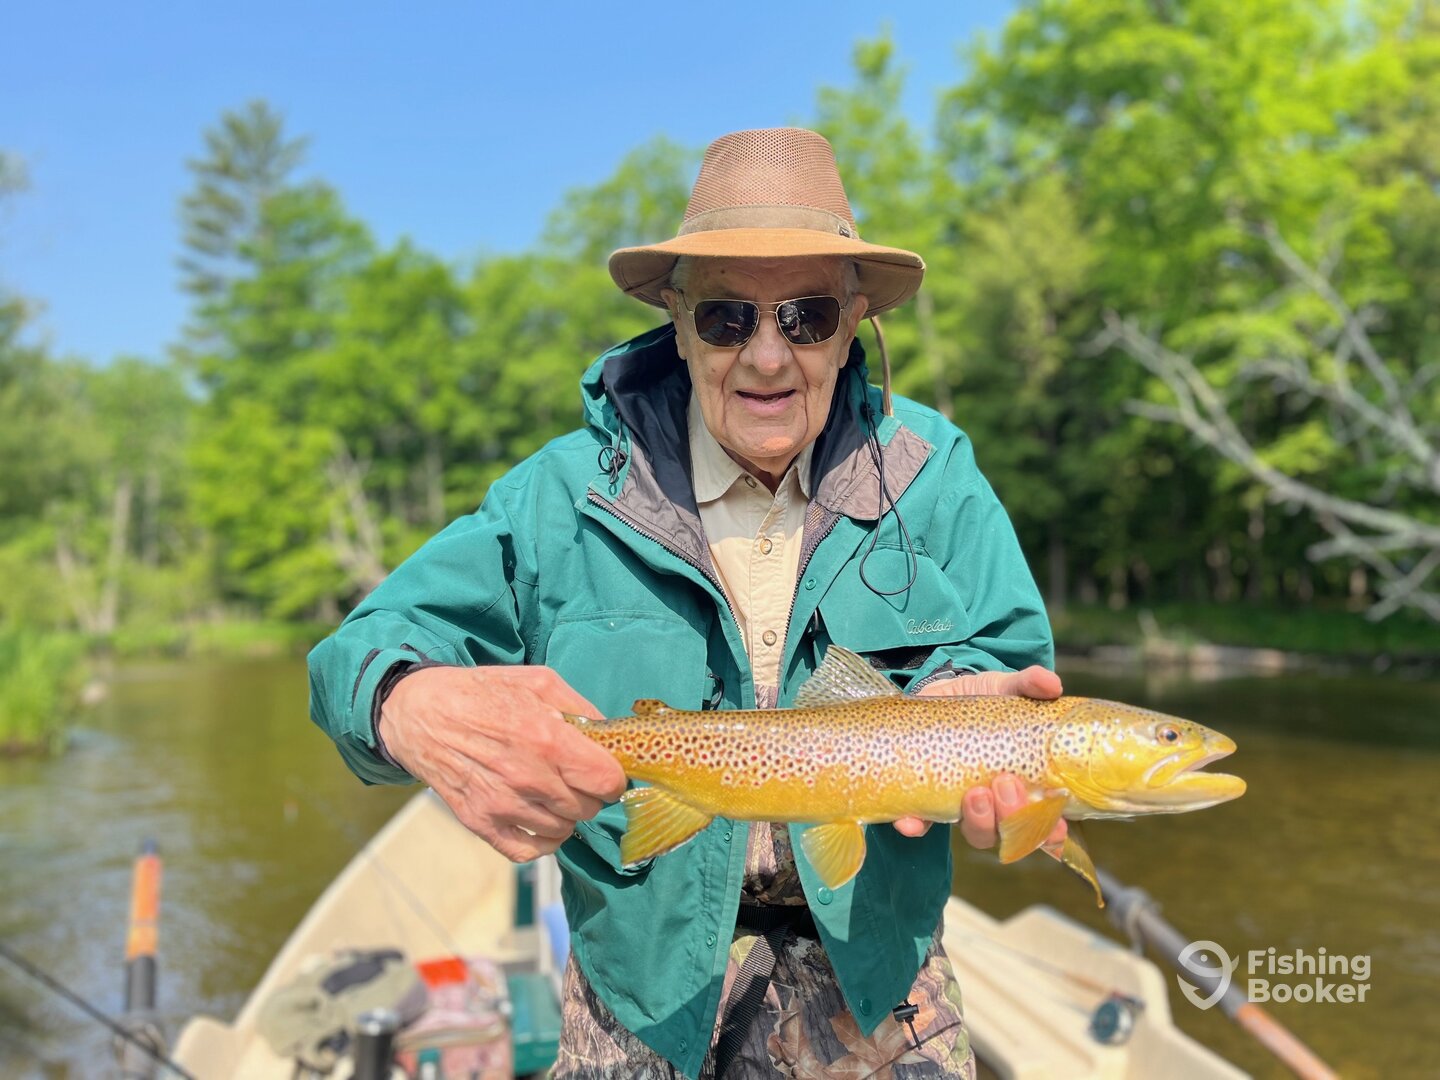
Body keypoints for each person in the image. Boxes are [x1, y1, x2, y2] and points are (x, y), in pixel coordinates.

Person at [308, 127, 1061, 1079]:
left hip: (879, 969)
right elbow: (358, 652)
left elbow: (998, 658)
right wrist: (407, 705)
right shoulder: (563, 496)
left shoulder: (933, 472)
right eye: (726, 320)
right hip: (643, 982)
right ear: (675, 316)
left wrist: (975, 705)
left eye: (806, 317)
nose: (767, 358)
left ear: (856, 317)